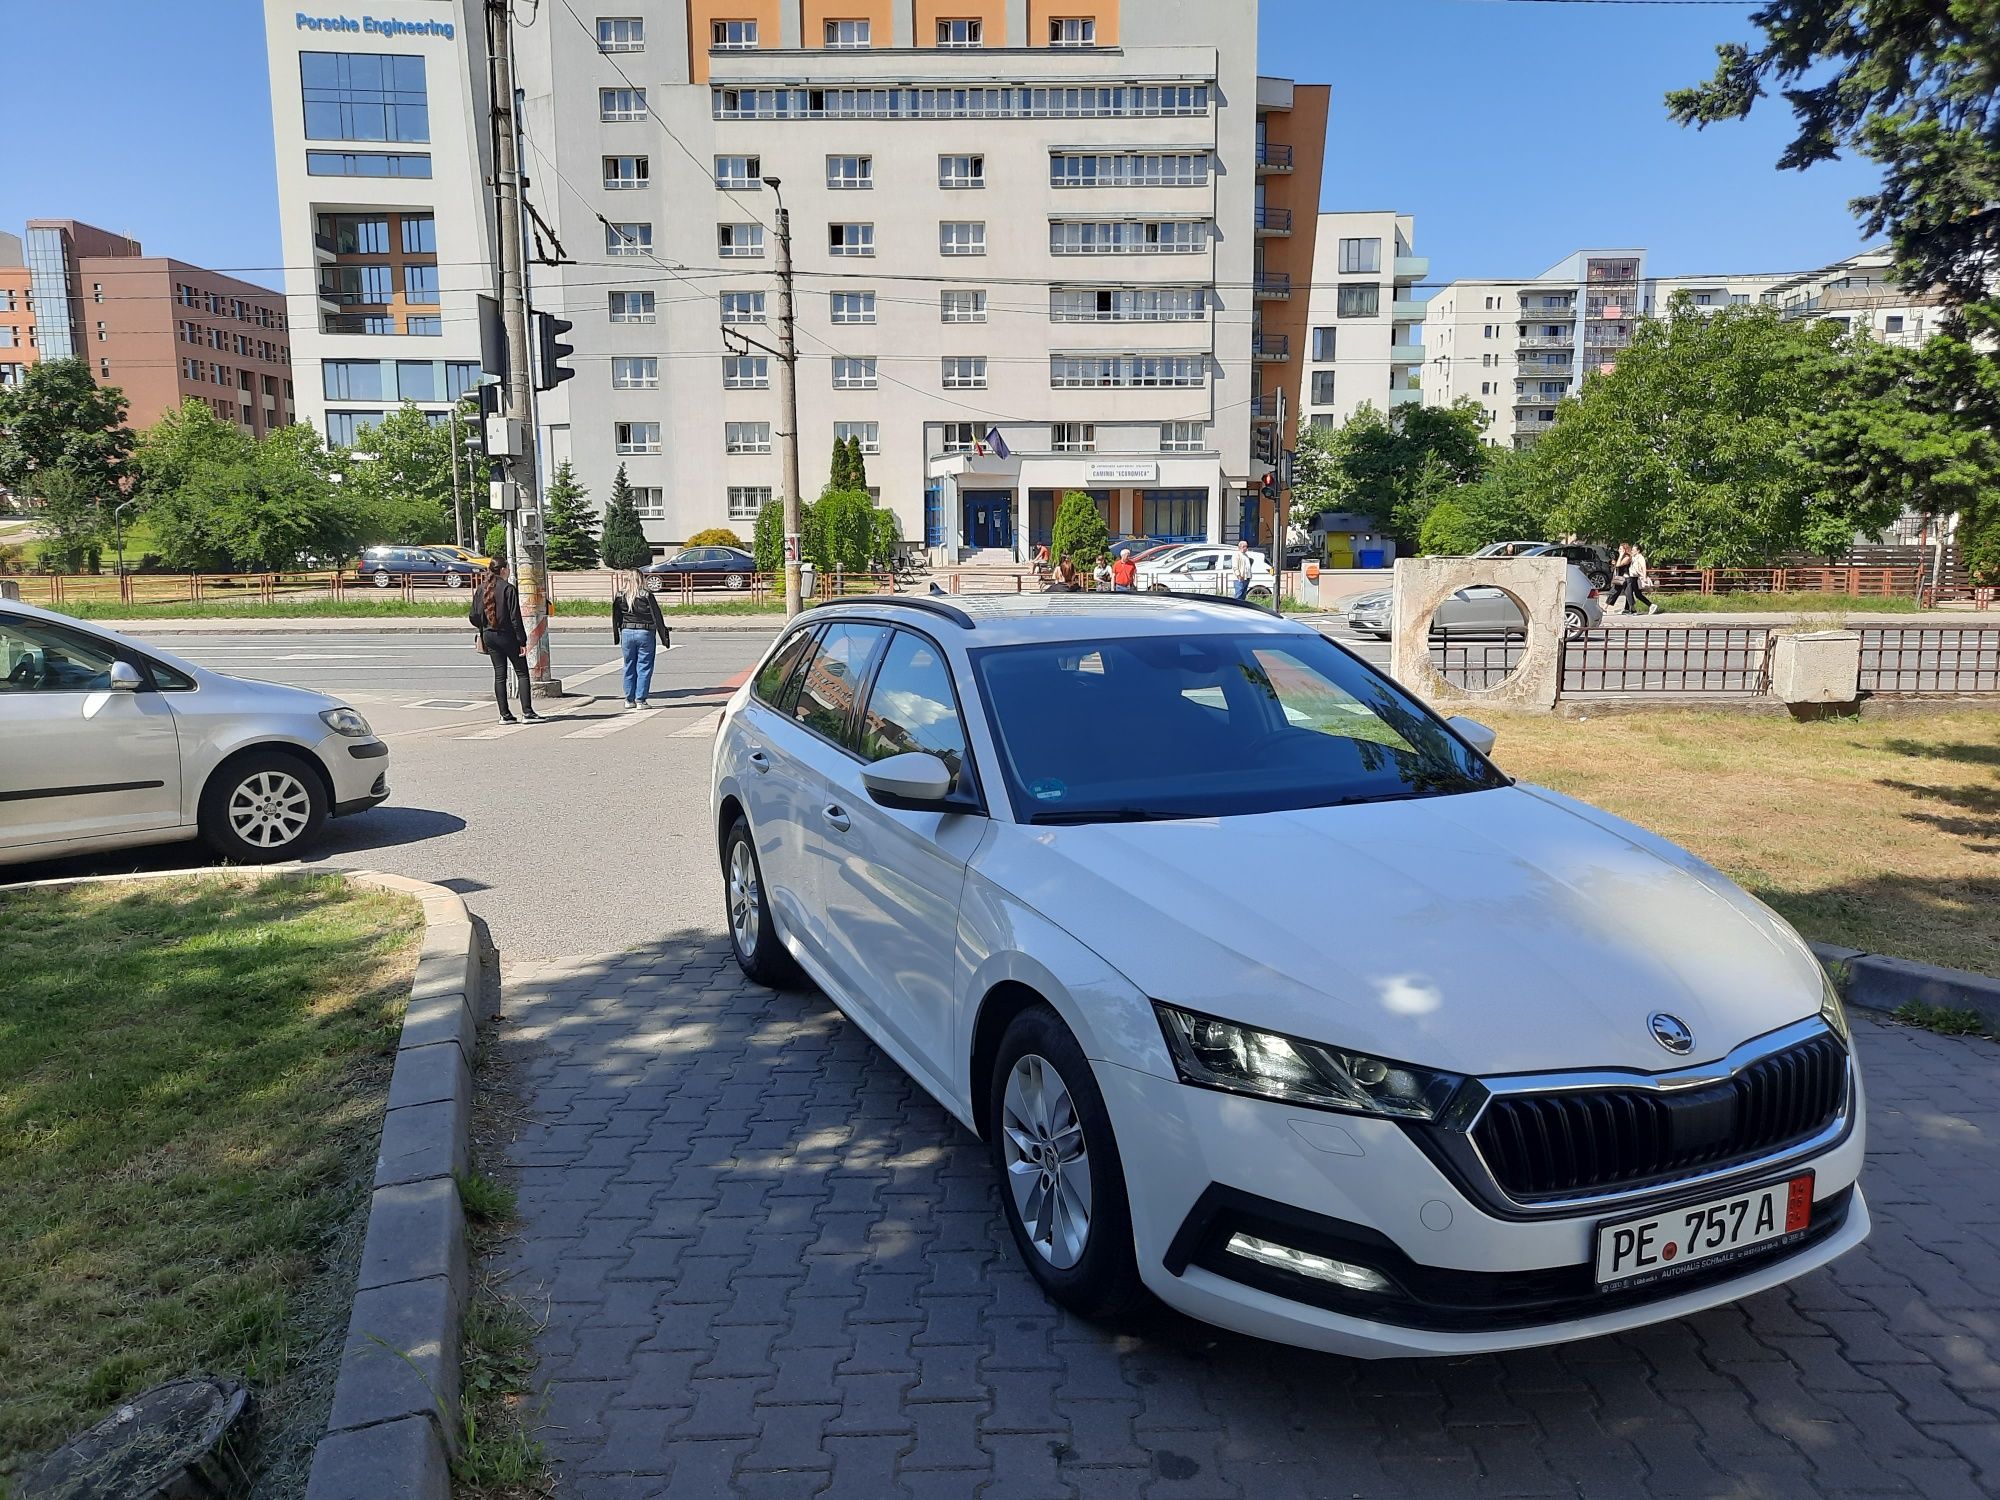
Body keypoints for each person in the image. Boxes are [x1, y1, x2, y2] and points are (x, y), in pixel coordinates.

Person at [468, 559, 539, 723]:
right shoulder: (508, 589)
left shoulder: (482, 588)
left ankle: (505, 715)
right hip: (508, 636)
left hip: (489, 636)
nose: (509, 570)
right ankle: (527, 713)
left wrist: (484, 626)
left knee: (500, 675)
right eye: (507, 568)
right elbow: (515, 618)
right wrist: (522, 640)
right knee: (521, 673)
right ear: (503, 570)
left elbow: (473, 616)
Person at [612, 570, 672, 708]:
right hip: (645, 632)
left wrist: (617, 632)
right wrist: (664, 635)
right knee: (644, 666)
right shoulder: (646, 594)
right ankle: (641, 700)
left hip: (626, 632)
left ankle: (629, 700)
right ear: (641, 579)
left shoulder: (620, 595)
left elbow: (616, 616)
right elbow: (656, 615)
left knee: (628, 665)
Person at [1623, 542, 1659, 615]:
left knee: (1629, 592)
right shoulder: (1634, 557)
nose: (1632, 551)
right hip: (1632, 577)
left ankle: (1633, 609)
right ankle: (1628, 609)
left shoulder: (1640, 557)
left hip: (1635, 577)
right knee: (1634, 593)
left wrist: (1645, 576)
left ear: (1638, 550)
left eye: (1633, 549)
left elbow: (1643, 567)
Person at [1605, 543, 1633, 613]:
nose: (1619, 550)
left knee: (1627, 594)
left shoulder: (1627, 557)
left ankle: (1630, 609)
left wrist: (1620, 556)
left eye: (1621, 549)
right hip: (1620, 578)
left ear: (1625, 550)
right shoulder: (1622, 556)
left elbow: (1618, 565)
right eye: (1619, 549)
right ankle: (1605, 608)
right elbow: (1617, 566)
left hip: (1625, 578)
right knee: (1614, 592)